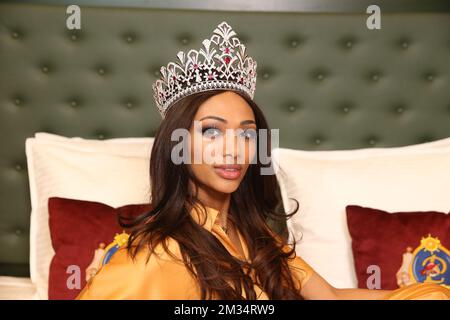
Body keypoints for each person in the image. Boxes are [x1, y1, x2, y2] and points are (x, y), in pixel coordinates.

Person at [76, 21, 449, 300]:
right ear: (177, 145)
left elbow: (330, 298)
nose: (234, 148)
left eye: (247, 133)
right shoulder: (159, 255)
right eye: (211, 131)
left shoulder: (250, 232)